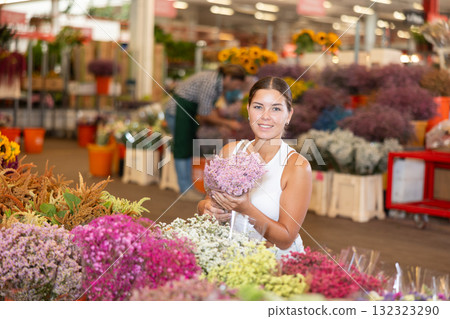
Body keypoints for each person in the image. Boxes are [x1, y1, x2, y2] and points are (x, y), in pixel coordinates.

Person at [197, 76, 312, 257]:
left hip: (277, 265)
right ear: (248, 110)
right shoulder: (230, 152)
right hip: (231, 259)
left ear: (289, 115)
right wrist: (206, 208)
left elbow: (285, 239)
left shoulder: (296, 167)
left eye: (275, 108)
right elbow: (207, 201)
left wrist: (245, 208)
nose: (265, 116)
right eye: (258, 107)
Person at [164, 64, 246, 201]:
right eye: (237, 85)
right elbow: (205, 114)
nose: (236, 88)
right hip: (177, 112)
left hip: (187, 114)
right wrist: (228, 123)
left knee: (188, 149)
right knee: (182, 149)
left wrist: (221, 122)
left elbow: (208, 109)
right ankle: (184, 190)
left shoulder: (217, 83)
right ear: (229, 78)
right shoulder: (212, 82)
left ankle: (188, 188)